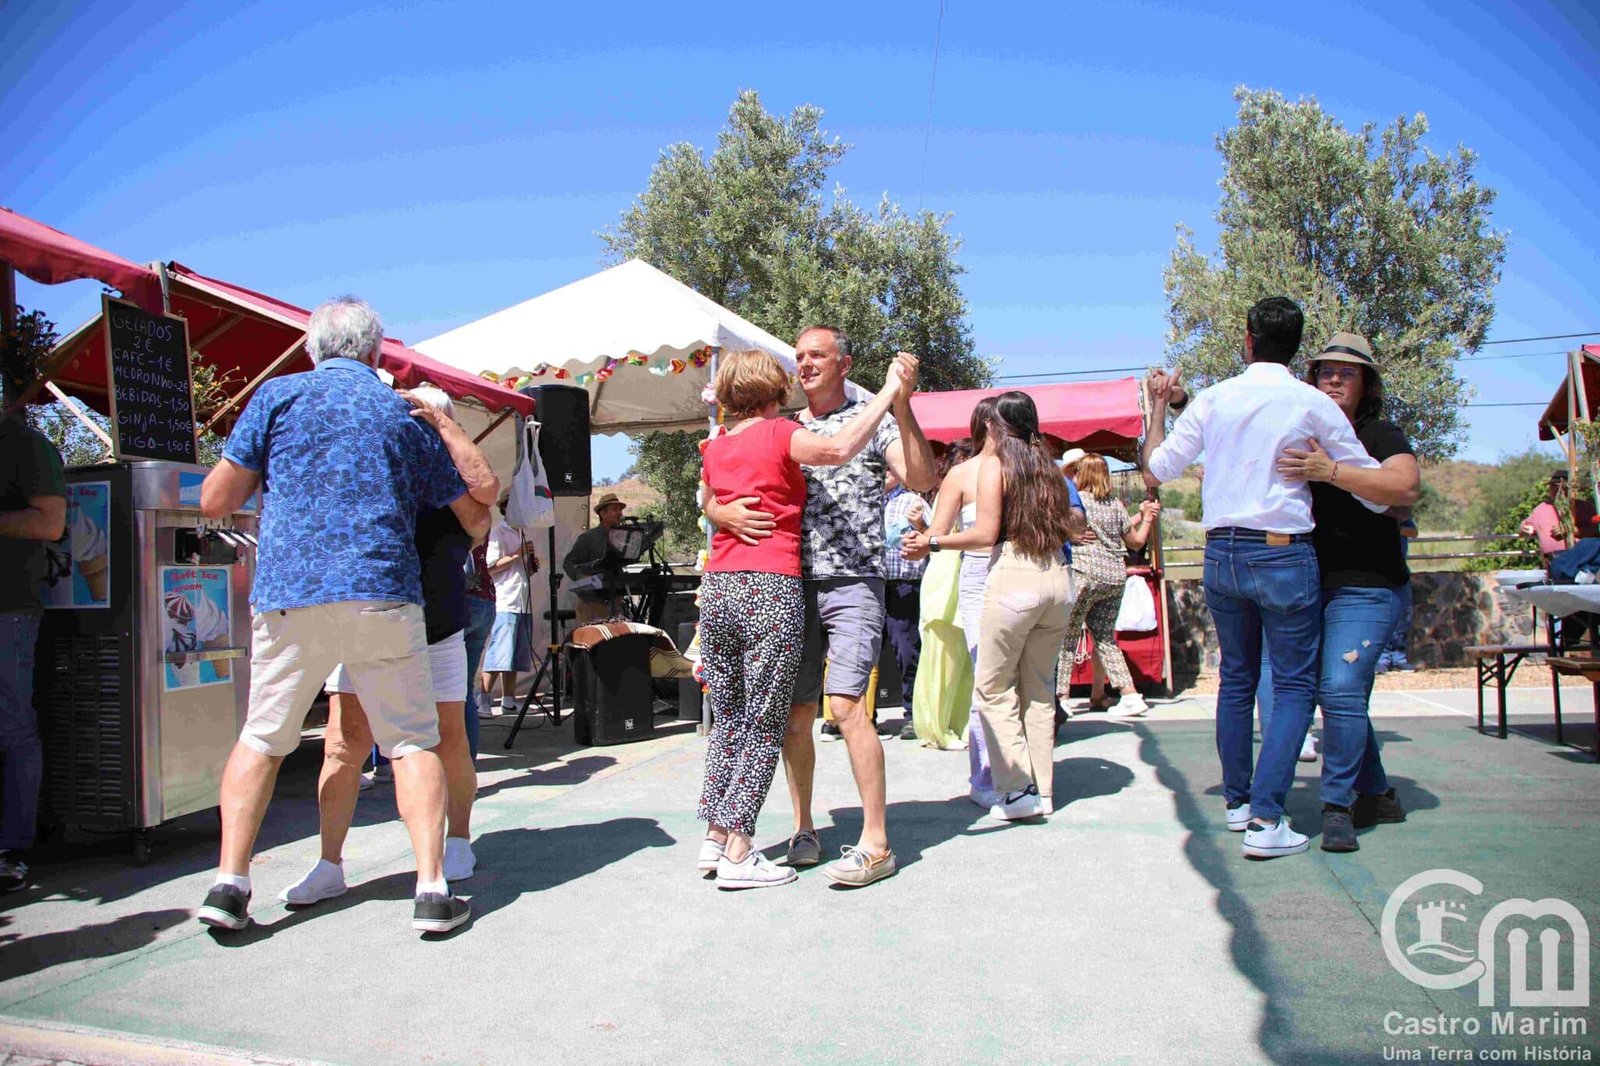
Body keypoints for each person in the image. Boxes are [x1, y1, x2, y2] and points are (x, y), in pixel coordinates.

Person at [197, 297, 477, 933]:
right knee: (412, 742)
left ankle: (229, 884)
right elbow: (464, 504)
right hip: (383, 592)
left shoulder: (277, 397)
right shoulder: (403, 411)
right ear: (376, 352)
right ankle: (432, 891)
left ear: (311, 349)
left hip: (290, 593)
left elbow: (216, 499)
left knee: (263, 738)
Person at [1142, 296, 1381, 861]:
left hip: (1222, 551)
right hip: (1282, 553)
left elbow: (1157, 467)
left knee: (1236, 679)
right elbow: (1372, 490)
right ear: (1297, 348)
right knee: (1294, 685)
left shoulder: (1214, 398)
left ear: (1248, 340)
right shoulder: (1311, 402)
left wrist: (1157, 407)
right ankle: (1268, 819)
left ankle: (1238, 802)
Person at [706, 325, 936, 888]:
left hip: (853, 579)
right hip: (786, 584)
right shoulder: (780, 424)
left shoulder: (872, 419)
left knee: (848, 705)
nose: (805, 364)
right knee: (794, 714)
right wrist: (720, 514)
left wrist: (900, 405)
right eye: (800, 356)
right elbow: (715, 489)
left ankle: (876, 842)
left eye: (817, 356)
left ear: (843, 363)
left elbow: (923, 478)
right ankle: (804, 828)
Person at [281, 386, 496, 902]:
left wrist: (443, 428)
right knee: (343, 743)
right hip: (366, 623)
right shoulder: (373, 467)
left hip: (435, 624)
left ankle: (458, 839)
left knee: (448, 740)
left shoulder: (453, 479)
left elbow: (483, 505)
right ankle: (329, 863)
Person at [903, 392, 1078, 819]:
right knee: (1038, 690)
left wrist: (930, 541)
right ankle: (1041, 789)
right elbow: (1076, 522)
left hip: (1004, 575)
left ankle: (1009, 788)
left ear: (992, 426)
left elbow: (982, 533)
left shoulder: (989, 470)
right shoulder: (1047, 468)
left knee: (991, 688)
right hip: (1055, 575)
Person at [1276, 331, 1419, 851]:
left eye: (1347, 372)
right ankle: (1377, 792)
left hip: (1368, 585)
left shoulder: (1377, 433)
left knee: (1338, 690)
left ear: (1366, 384)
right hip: (1309, 585)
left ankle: (1336, 805)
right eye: (1325, 371)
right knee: (1338, 693)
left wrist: (1331, 472)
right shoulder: (1300, 429)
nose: (1334, 380)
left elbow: (1406, 488)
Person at [913, 397, 1004, 806]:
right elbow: (938, 533)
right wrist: (925, 536)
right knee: (964, 666)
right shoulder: (960, 479)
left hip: (1000, 573)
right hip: (962, 575)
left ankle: (1013, 771)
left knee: (987, 673)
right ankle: (974, 764)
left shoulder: (1018, 470)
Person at [0, 402, 67, 894]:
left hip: (9, 607)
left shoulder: (24, 444)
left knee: (11, 726)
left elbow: (50, 523)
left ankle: (11, 848)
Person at [1058, 454, 1161, 717]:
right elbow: (1135, 542)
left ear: (1082, 474)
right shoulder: (1115, 504)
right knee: (1105, 638)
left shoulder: (1077, 503)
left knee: (1067, 636)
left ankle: (1061, 697)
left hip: (1084, 572)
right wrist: (1147, 518)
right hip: (1114, 576)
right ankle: (1129, 694)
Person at [910, 439, 977, 749]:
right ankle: (936, 730)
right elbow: (939, 536)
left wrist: (921, 525)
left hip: (958, 577)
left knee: (961, 663)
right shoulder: (953, 489)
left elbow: (935, 534)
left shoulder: (960, 489)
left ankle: (958, 725)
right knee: (940, 662)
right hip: (945, 581)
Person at [882, 468, 930, 740]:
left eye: (891, 466)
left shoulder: (915, 501)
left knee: (907, 651)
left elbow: (935, 536)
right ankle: (861, 718)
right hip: (871, 583)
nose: (886, 472)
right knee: (864, 654)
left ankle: (913, 714)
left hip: (905, 584)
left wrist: (920, 525)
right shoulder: (864, 498)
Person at [482, 498, 538, 716]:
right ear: (506, 508)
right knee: (500, 651)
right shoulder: (498, 531)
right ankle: (483, 699)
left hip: (522, 600)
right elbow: (490, 567)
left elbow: (522, 569)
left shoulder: (522, 532)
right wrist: (517, 554)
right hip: (505, 599)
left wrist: (531, 565)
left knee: (514, 653)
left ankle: (508, 700)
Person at [564, 493, 628, 624]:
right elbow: (569, 563)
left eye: (620, 510)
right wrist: (583, 578)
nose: (619, 513)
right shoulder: (589, 537)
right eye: (615, 509)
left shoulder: (621, 538)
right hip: (593, 603)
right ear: (603, 514)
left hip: (615, 602)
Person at [464, 538, 499, 727]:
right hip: (486, 599)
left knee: (451, 689)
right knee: (465, 687)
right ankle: (468, 746)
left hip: (466, 598)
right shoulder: (484, 525)